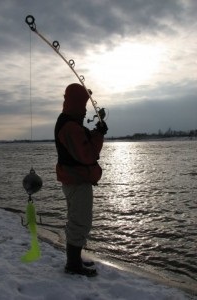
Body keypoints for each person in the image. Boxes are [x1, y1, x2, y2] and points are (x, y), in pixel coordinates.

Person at [54, 83, 108, 277]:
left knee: (77, 220)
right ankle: (73, 265)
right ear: (76, 104)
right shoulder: (69, 126)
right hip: (77, 183)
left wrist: (96, 132)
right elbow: (88, 155)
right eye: (83, 105)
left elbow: (83, 144)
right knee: (80, 222)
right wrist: (100, 134)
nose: (86, 110)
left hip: (73, 181)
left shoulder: (71, 124)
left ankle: (75, 260)